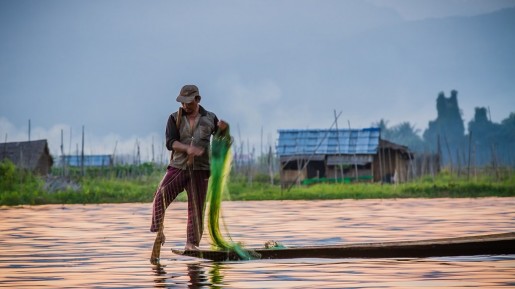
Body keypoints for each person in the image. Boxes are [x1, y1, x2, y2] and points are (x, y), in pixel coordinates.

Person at [150, 84, 229, 263]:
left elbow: (220, 139)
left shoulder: (210, 118)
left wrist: (224, 129)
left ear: (197, 100)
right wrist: (187, 148)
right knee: (160, 197)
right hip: (178, 167)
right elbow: (170, 142)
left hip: (201, 171)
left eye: (189, 102)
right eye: (183, 102)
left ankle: (191, 244)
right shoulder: (174, 118)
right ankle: (159, 232)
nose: (185, 106)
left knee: (196, 208)